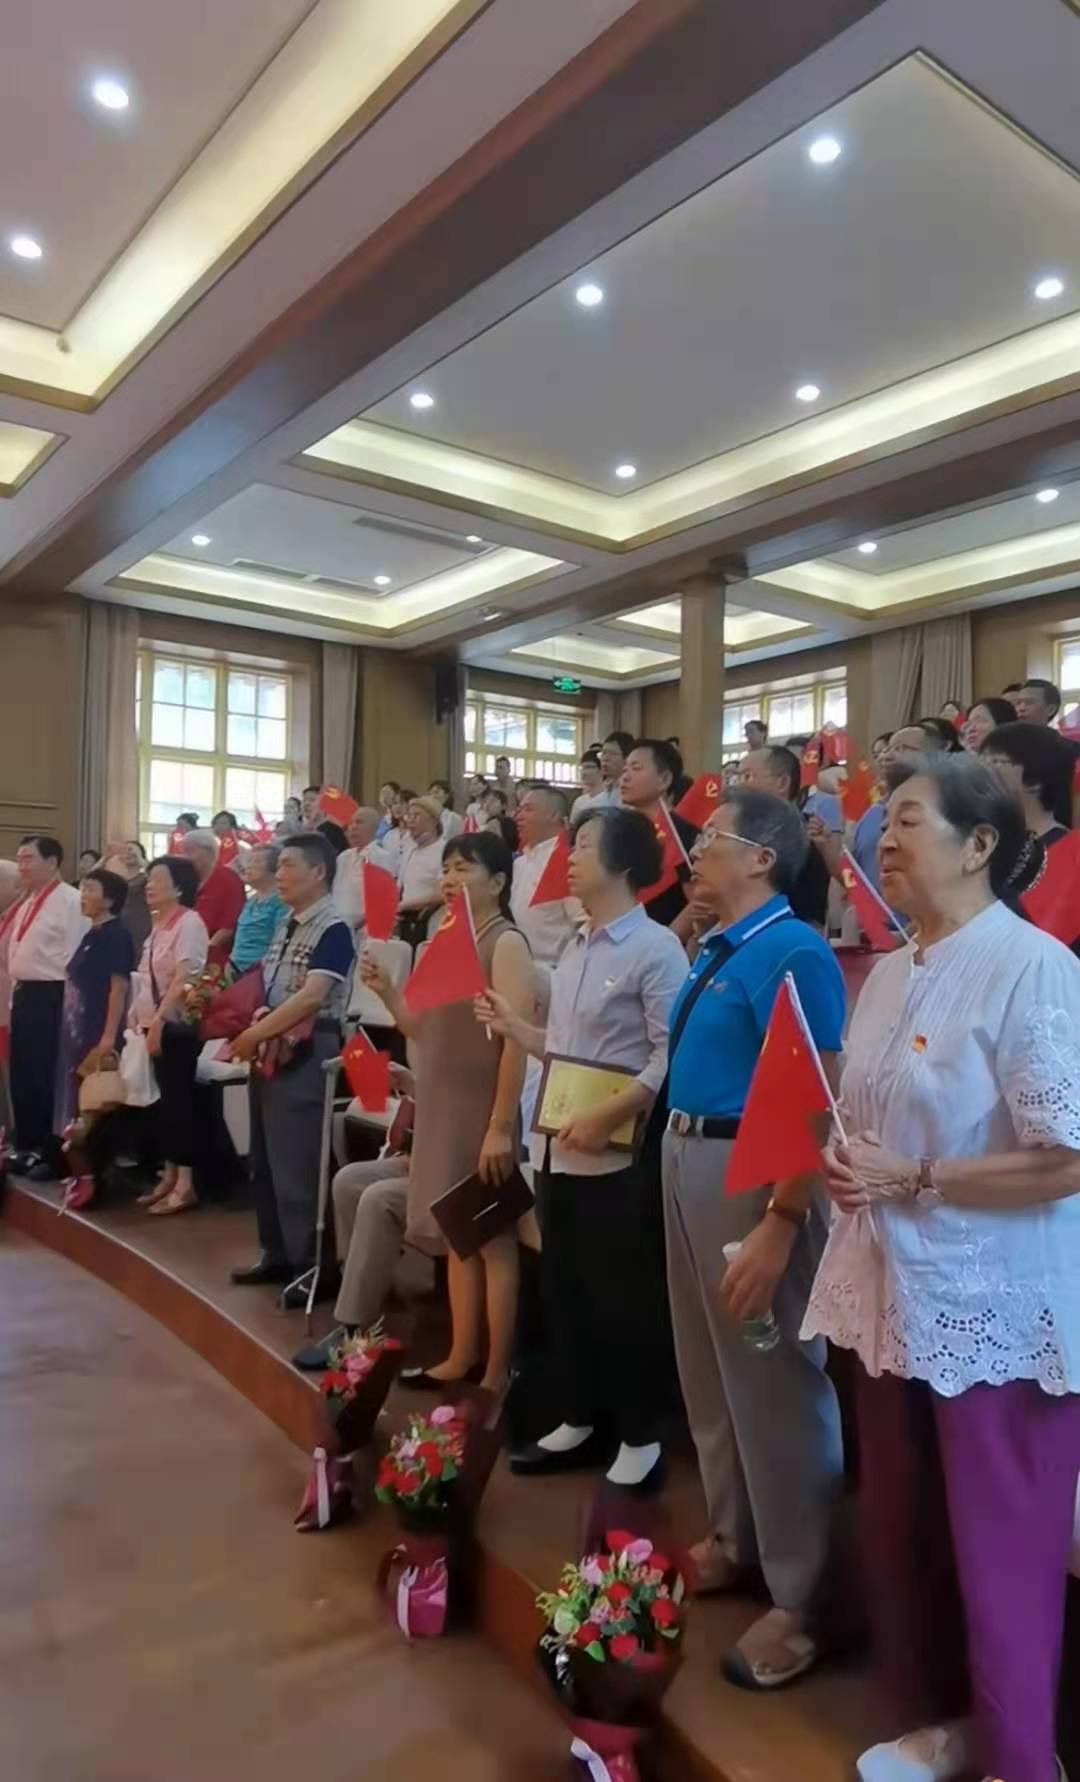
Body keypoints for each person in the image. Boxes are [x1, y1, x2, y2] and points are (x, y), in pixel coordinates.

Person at [803, 752, 1080, 1782]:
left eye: (911, 818)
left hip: (993, 1304)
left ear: (980, 845)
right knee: (904, 1524)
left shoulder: (1031, 965)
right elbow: (867, 1125)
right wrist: (850, 1167)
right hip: (894, 1290)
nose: (886, 836)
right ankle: (937, 1724)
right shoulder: (890, 972)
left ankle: (1020, 1756)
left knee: (999, 1552)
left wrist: (917, 1176)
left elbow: (1067, 1157)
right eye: (883, 820)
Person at [661, 789, 846, 1686]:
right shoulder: (720, 945)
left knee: (775, 1384)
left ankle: (804, 1599)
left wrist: (782, 1218)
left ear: (764, 857)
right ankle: (735, 1538)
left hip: (752, 1172)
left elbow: (816, 1095)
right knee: (709, 1370)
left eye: (711, 839)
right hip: (688, 1155)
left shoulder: (794, 948)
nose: (694, 852)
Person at [479, 807, 688, 1490]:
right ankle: (578, 1415)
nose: (569, 857)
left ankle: (638, 1433)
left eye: (586, 845)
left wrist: (610, 1114)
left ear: (623, 862)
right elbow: (568, 1050)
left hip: (616, 1153)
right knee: (565, 1286)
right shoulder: (576, 945)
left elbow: (668, 1054)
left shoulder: (656, 948)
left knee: (619, 1294)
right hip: (558, 1144)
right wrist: (517, 1028)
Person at [360, 831, 535, 1394]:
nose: (451, 879)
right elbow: (422, 1028)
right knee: (460, 1237)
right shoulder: (444, 937)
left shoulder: (505, 943)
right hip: (441, 1104)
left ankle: (497, 1370)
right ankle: (461, 1354)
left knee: (493, 1241)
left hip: (481, 1108)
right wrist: (388, 991)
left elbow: (515, 1043)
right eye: (447, 869)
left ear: (498, 881)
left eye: (464, 869)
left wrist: (500, 1126)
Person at [228, 833, 354, 1293]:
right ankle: (276, 1253)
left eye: (287, 866)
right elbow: (272, 982)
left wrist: (256, 1032)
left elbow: (313, 996)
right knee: (265, 1158)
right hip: (271, 1044)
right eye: (277, 866)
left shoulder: (334, 927)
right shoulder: (286, 922)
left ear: (318, 872)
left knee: (298, 1161)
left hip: (308, 1048)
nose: (277, 874)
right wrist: (258, 1016)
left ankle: (313, 1266)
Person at [131, 855, 209, 1216]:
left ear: (179, 887)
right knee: (163, 1105)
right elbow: (146, 977)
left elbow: (185, 978)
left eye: (158, 879)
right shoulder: (159, 925)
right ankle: (169, 1174)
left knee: (179, 1103)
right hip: (152, 1023)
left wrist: (160, 1021)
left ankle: (186, 1184)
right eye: (149, 879)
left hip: (176, 1027)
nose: (150, 885)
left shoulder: (189, 923)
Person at [54, 868, 135, 1208]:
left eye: (91, 889)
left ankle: (97, 1176)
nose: (83, 895)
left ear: (110, 898)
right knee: (78, 1102)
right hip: (75, 1029)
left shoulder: (116, 935)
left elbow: (118, 988)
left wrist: (108, 1036)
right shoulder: (92, 932)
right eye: (83, 888)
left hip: (97, 1028)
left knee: (96, 1105)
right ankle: (80, 1169)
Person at [8, 836, 87, 1179]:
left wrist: (72, 1008)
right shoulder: (28, 901)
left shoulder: (70, 901)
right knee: (23, 1073)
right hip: (26, 994)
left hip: (53, 995)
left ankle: (50, 1152)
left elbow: (76, 958)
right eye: (19, 859)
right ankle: (26, 1146)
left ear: (53, 862)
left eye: (29, 859)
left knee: (47, 1075)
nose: (21, 866)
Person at [738, 748, 832, 928]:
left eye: (747, 776)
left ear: (782, 783)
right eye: (738, 778)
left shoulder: (806, 835)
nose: (739, 786)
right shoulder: (743, 832)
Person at [619, 738, 699, 927]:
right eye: (624, 770)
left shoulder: (681, 833)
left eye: (636, 768)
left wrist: (667, 938)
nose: (625, 777)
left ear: (664, 779)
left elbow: (697, 899)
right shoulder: (618, 830)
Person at [510, 786, 580, 966]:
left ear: (554, 815)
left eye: (528, 809)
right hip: (517, 964)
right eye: (519, 809)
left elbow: (583, 923)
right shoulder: (519, 863)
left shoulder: (568, 861)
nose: (519, 816)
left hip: (555, 968)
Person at [980, 720, 1075, 837]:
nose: (981, 769)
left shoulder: (1070, 845)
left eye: (995, 761)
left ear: (1034, 780)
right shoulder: (984, 840)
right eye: (981, 760)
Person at [180, 829, 246, 967]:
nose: (185, 857)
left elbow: (229, 926)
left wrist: (205, 950)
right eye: (183, 852)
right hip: (187, 951)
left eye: (190, 851)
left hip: (215, 956)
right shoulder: (188, 881)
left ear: (209, 852)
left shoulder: (228, 878)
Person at [331, 807, 394, 933]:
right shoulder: (343, 857)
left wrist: (360, 924)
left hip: (365, 929)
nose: (353, 827)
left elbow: (381, 900)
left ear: (374, 828)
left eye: (359, 822)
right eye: (351, 823)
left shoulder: (381, 857)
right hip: (339, 924)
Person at [396, 796, 446, 946]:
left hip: (429, 920)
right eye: (409, 816)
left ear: (433, 821)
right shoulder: (410, 849)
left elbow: (441, 892)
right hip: (405, 919)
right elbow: (400, 886)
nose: (410, 821)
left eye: (416, 816)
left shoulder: (443, 849)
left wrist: (404, 905)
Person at [230, 844, 286, 974]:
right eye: (249, 861)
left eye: (257, 861)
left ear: (274, 868)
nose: (248, 866)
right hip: (234, 970)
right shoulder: (251, 901)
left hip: (259, 974)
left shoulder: (281, 903)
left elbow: (279, 942)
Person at [0, 859, 23, 1133]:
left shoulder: (20, 918)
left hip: (11, 1011)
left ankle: (12, 1135)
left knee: (11, 1078)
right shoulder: (6, 916)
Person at [101, 840, 152, 956]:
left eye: (132, 850)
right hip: (119, 925)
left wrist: (139, 858)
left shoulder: (145, 878)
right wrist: (105, 858)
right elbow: (90, 878)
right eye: (126, 850)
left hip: (139, 924)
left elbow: (155, 871)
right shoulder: (117, 880)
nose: (129, 853)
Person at [301, 785, 348, 855]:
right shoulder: (300, 830)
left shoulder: (334, 831)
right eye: (304, 800)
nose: (306, 804)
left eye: (312, 800)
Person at [379, 787, 414, 879]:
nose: (397, 807)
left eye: (401, 803)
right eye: (394, 803)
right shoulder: (389, 835)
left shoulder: (416, 834)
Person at [570, 751, 604, 819]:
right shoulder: (579, 801)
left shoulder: (609, 798)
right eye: (583, 768)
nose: (584, 772)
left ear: (602, 769)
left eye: (589, 767)